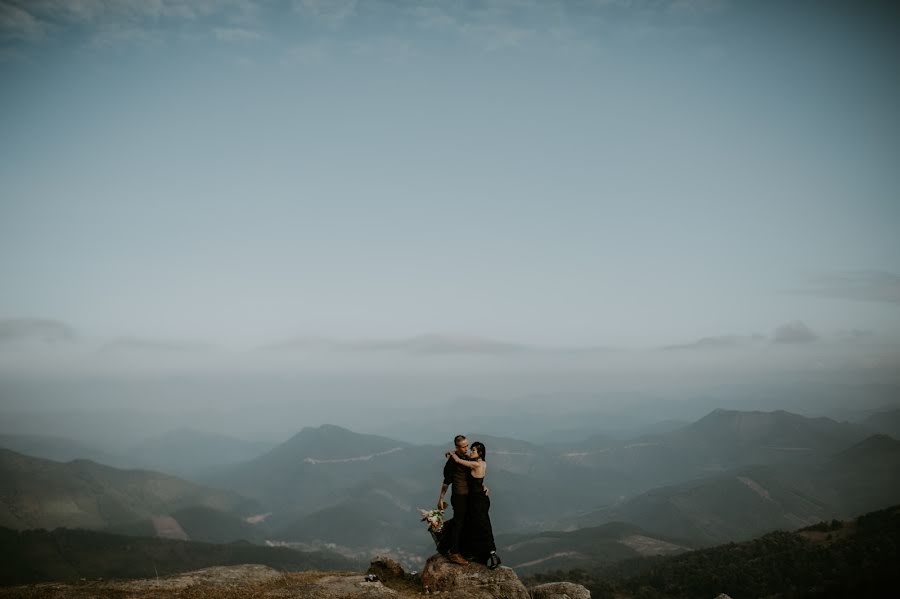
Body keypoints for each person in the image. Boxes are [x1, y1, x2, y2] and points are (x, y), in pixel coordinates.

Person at [445, 441, 500, 569]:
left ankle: (492, 554)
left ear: (480, 453)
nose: (470, 452)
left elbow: (459, 461)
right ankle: (478, 554)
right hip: (477, 499)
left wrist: (452, 453)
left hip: (478, 501)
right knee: (475, 525)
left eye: (473, 450)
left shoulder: (476, 464)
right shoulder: (480, 462)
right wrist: (484, 486)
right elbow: (478, 480)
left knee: (482, 526)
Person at [438, 434, 471, 565]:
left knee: (462, 521)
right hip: (459, 496)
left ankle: (450, 546)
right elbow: (446, 482)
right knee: (458, 523)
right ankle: (454, 552)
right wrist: (441, 498)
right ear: (457, 447)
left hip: (468, 496)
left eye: (467, 445)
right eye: (463, 447)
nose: (466, 448)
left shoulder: (464, 456)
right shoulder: (451, 462)